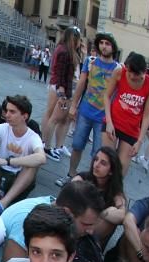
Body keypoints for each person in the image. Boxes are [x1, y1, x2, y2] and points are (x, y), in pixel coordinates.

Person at [0, 95, 46, 213]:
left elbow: (42, 158)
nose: (7, 115)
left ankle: (2, 204)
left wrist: (7, 161)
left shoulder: (33, 137)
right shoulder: (4, 127)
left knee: (33, 165)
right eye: (7, 111)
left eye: (12, 112)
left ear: (24, 116)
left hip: (18, 177)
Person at [62, 32, 119, 182]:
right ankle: (71, 175)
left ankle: (90, 183)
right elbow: (81, 84)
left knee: (98, 154)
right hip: (85, 112)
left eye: (107, 44)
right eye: (101, 43)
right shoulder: (90, 61)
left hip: (103, 118)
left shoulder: (118, 69)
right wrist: (73, 106)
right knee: (77, 145)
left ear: (113, 47)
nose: (104, 46)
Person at [100, 51, 149, 176]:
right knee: (106, 162)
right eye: (129, 72)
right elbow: (107, 96)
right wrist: (108, 122)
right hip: (113, 122)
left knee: (121, 170)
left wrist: (139, 141)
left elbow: (147, 116)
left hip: (131, 129)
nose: (131, 76)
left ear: (144, 72)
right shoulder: (119, 72)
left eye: (135, 74)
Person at [40, 27, 81, 163]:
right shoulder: (65, 51)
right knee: (54, 117)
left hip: (61, 87)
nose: (80, 42)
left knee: (56, 117)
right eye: (78, 39)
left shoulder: (65, 50)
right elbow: (61, 74)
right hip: (60, 88)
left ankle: (49, 144)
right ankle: (46, 145)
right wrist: (62, 93)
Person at [73, 146, 126, 248]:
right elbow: (70, 193)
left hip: (94, 232)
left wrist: (102, 213)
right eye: (96, 159)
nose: (96, 165)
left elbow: (122, 215)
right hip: (76, 223)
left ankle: (88, 247)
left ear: (111, 171)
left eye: (103, 163)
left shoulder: (115, 191)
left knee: (110, 219)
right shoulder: (83, 178)